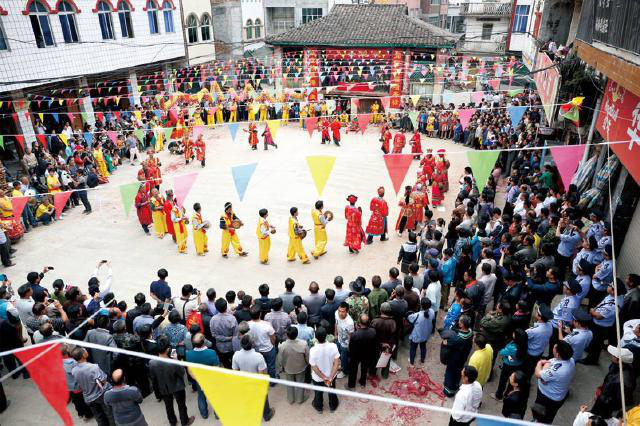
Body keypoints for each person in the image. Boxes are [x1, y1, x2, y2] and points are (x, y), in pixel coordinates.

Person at [149, 338, 195, 426]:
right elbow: (182, 373)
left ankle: (172, 422)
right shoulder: (173, 362)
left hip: (163, 387)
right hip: (177, 386)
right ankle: (185, 421)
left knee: (168, 405)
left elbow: (153, 377)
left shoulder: (151, 362)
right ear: (167, 349)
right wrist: (177, 361)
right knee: (181, 405)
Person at [232, 335, 276, 421]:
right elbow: (263, 373)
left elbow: (235, 371)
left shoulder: (236, 355)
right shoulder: (258, 356)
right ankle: (267, 414)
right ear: (252, 344)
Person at [71, 347, 115, 426]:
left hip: (88, 397)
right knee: (109, 413)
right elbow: (103, 380)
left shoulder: (74, 371)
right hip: (100, 395)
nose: (86, 351)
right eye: (84, 350)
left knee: (99, 417)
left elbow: (78, 385)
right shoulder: (93, 367)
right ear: (83, 355)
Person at [534, 341, 576, 424]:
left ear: (558, 354)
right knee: (550, 415)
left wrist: (539, 363)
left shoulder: (556, 371)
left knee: (540, 413)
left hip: (547, 397)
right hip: (559, 395)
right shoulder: (571, 360)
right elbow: (549, 365)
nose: (552, 348)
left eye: (554, 348)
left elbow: (538, 374)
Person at [590, 345, 635, 419]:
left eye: (614, 355)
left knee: (597, 416)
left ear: (618, 360)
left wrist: (601, 397)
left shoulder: (622, 381)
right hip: (605, 396)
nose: (611, 355)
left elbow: (616, 400)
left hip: (606, 404)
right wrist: (601, 388)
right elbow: (609, 379)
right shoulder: (619, 365)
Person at [185, 333, 219, 419]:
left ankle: (204, 414)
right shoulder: (211, 352)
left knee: (201, 397)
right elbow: (216, 368)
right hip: (211, 379)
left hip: (199, 380)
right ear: (204, 341)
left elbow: (190, 371)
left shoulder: (189, 354)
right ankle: (217, 414)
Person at [441, 315, 474, 397]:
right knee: (458, 372)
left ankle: (449, 391)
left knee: (450, 373)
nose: (458, 322)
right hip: (463, 357)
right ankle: (455, 386)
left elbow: (448, 343)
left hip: (455, 359)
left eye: (459, 321)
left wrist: (445, 343)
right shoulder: (470, 332)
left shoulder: (458, 338)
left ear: (462, 325)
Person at [309, 326, 340, 413]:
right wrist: (330, 378)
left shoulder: (313, 350)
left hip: (318, 378)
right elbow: (336, 363)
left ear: (316, 338)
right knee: (331, 391)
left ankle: (319, 407)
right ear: (326, 336)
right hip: (331, 376)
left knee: (318, 393)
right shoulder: (333, 346)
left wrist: (323, 377)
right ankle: (333, 406)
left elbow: (314, 367)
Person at [276, 326, 310, 404]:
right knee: (300, 383)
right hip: (300, 367)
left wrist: (282, 367)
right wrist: (307, 363)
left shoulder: (282, 346)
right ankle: (300, 399)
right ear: (297, 334)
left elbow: (280, 359)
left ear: (287, 335)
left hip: (288, 368)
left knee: (289, 384)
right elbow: (307, 356)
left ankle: (290, 399)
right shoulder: (303, 344)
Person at [347, 314, 377, 389]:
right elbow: (374, 344)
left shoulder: (355, 334)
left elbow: (351, 347)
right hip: (367, 354)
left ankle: (351, 385)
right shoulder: (373, 331)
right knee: (364, 368)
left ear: (359, 322)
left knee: (353, 369)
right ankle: (362, 383)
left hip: (356, 355)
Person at [248, 304, 277, 379]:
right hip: (268, 349)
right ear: (260, 314)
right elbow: (273, 338)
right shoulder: (267, 325)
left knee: (258, 367)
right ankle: (272, 381)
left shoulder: (247, 325)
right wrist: (273, 345)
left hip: (256, 350)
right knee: (271, 366)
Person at [209, 298, 237, 368]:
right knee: (233, 361)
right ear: (226, 306)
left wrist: (223, 338)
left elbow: (213, 335)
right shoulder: (232, 319)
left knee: (225, 362)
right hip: (231, 346)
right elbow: (236, 335)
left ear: (216, 308)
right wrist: (229, 338)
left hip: (220, 347)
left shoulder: (213, 320)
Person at [407, 297, 435, 365]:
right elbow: (432, 319)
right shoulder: (432, 312)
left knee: (413, 348)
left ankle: (412, 361)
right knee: (423, 347)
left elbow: (409, 318)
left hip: (417, 335)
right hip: (426, 334)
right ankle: (422, 360)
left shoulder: (417, 315)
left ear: (421, 305)